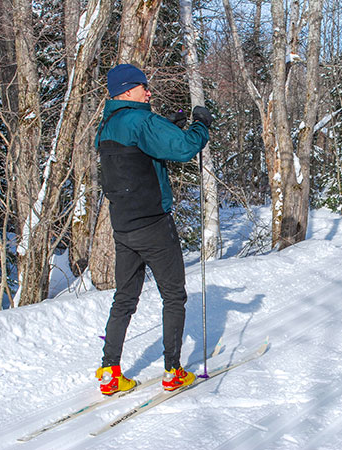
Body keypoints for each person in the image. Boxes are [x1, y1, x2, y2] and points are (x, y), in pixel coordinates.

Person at [94, 63, 213, 395]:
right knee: (173, 296)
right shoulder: (140, 119)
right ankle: (173, 371)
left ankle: (110, 371)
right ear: (128, 90)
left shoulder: (106, 125)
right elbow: (185, 147)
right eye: (143, 87)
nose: (149, 91)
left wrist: (168, 126)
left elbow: (137, 154)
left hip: (123, 226)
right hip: (154, 225)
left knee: (124, 298)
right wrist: (200, 124)